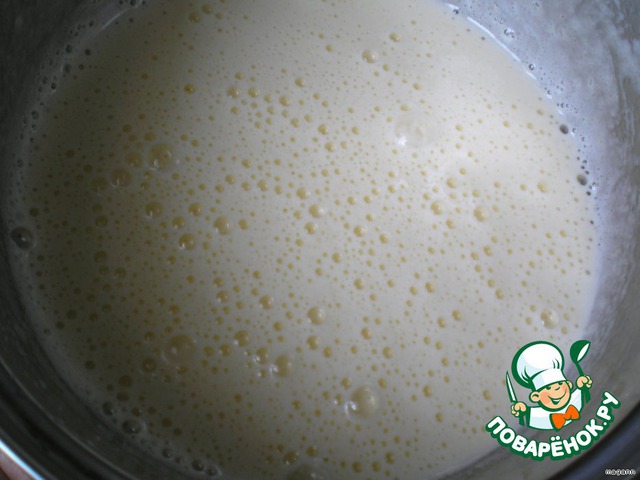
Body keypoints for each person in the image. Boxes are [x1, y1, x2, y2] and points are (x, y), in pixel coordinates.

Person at [510, 341, 592, 430]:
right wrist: (521, 410)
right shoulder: (539, 417)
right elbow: (525, 418)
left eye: (560, 384)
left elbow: (587, 396)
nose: (557, 390)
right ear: (535, 396)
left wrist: (583, 385)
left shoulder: (576, 399)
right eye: (548, 388)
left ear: (569, 385)